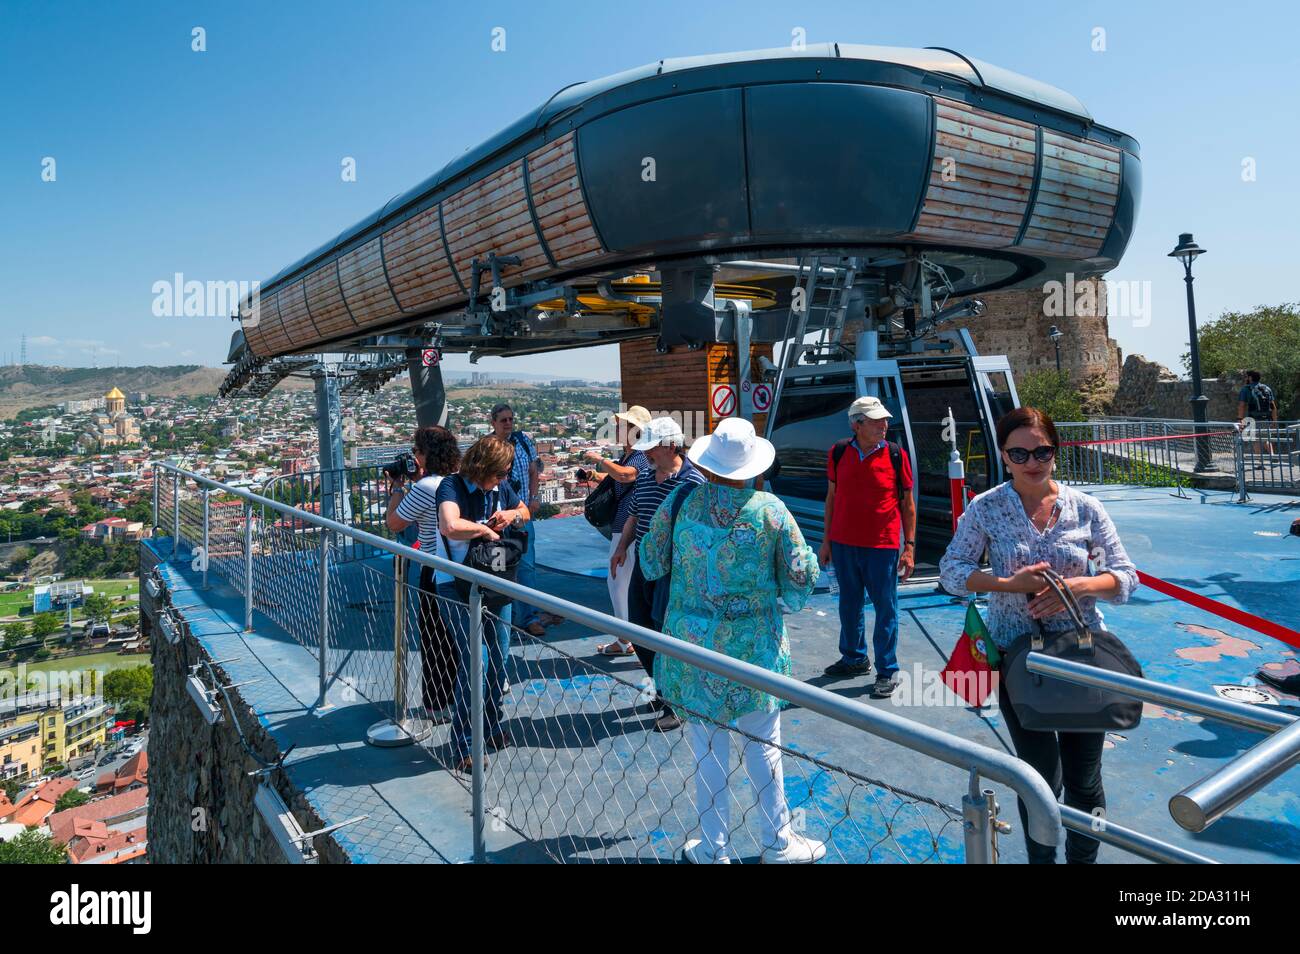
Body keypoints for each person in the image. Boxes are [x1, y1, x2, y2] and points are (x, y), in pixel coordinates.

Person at [939, 406, 1139, 864]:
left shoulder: (1085, 507)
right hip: (1018, 659)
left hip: (1083, 658)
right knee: (1039, 779)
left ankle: (1083, 861)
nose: (1032, 461)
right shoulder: (986, 508)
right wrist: (1010, 584)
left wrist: (1079, 586)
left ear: (1055, 451)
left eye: (1042, 451)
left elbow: (1125, 577)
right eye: (1020, 452)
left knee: (1085, 778)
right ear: (1005, 456)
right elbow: (952, 572)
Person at [640, 417, 825, 863]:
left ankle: (712, 848)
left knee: (707, 750)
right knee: (764, 747)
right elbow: (801, 578)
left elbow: (650, 561)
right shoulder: (769, 509)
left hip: (692, 647)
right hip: (753, 650)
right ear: (752, 465)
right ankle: (778, 843)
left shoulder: (681, 501)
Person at [436, 436, 531, 772]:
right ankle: (463, 742)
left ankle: (491, 725)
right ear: (484, 468)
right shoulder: (452, 486)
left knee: (499, 659)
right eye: (500, 473)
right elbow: (449, 525)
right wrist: (483, 530)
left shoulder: (500, 489)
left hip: (493, 581)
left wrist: (510, 515)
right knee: (479, 660)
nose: (503, 479)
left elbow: (525, 511)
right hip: (457, 585)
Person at [610, 416, 706, 731]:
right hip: (645, 565)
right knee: (640, 628)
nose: (647, 454)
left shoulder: (693, 482)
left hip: (675, 572)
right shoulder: (647, 478)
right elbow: (634, 516)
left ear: (669, 445)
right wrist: (622, 547)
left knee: (667, 633)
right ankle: (662, 689)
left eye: (652, 447)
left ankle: (674, 702)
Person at [817, 395, 916, 697]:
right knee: (848, 604)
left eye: (885, 419)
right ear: (857, 425)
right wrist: (826, 541)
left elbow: (908, 505)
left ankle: (887, 670)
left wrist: (909, 546)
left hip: (882, 545)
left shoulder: (896, 455)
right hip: (844, 544)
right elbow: (832, 498)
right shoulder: (838, 453)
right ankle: (854, 657)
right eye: (877, 420)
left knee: (886, 608)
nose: (885, 425)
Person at [385, 425, 462, 721]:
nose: (414, 456)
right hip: (460, 567)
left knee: (434, 638)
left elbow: (394, 523)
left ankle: (436, 704)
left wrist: (397, 488)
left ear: (426, 454)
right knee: (456, 637)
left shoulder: (425, 487)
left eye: (417, 451)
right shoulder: (456, 481)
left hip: (432, 568)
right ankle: (459, 695)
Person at [584, 405, 653, 656]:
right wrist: (594, 474)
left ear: (635, 431)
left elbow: (625, 476)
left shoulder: (639, 456)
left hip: (628, 526)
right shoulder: (634, 454)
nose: (618, 428)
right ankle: (629, 639)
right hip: (627, 525)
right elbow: (619, 476)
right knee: (623, 583)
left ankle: (627, 640)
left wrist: (599, 461)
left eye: (623, 425)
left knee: (617, 582)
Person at [490, 403, 549, 636]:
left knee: (526, 566)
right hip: (498, 516)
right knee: (499, 565)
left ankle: (529, 617)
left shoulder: (524, 441)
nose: (508, 423)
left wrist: (534, 498)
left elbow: (534, 471)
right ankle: (503, 617)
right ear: (493, 422)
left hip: (522, 513)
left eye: (511, 419)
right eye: (503, 420)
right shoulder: (489, 446)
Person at [1237, 370, 1278, 458]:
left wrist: (1240, 420)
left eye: (1247, 376)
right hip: (1266, 418)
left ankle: (1260, 462)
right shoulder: (1266, 388)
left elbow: (1242, 405)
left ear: (1250, 378)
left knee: (1256, 441)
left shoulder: (1246, 389)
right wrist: (1275, 421)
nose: (1245, 378)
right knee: (1265, 439)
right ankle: (1273, 456)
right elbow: (1273, 407)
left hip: (1253, 419)